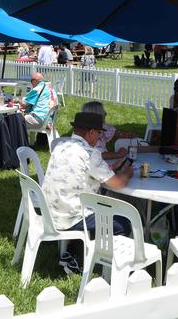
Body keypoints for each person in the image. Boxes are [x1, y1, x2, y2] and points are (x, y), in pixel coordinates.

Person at [42, 112, 133, 274]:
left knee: (95, 210)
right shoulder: (90, 153)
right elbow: (118, 184)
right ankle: (79, 261)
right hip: (70, 218)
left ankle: (71, 252)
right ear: (91, 132)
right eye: (99, 133)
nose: (99, 138)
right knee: (123, 222)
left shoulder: (60, 145)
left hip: (50, 213)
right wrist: (128, 172)